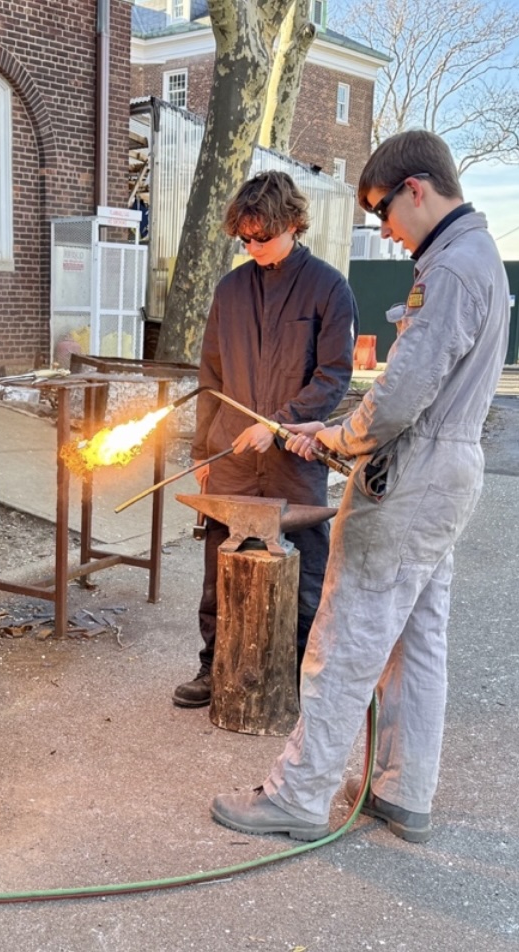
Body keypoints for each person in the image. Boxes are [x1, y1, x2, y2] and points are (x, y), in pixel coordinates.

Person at [210, 130, 510, 842]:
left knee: (344, 639)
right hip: (444, 473)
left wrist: (337, 437)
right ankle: (404, 790)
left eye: (383, 211)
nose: (385, 229)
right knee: (416, 639)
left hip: (412, 478)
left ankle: (298, 796)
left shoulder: (454, 268)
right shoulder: (476, 258)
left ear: (416, 188)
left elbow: (401, 392)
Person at [173, 170, 358, 708]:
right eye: (245, 238)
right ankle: (215, 666)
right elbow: (211, 377)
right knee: (221, 565)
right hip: (231, 453)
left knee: (302, 568)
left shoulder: (328, 287)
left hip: (292, 457)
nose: (252, 247)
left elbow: (333, 376)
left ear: (294, 224)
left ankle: (298, 673)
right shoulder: (230, 290)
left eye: (263, 237)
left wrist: (277, 423)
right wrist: (204, 450)